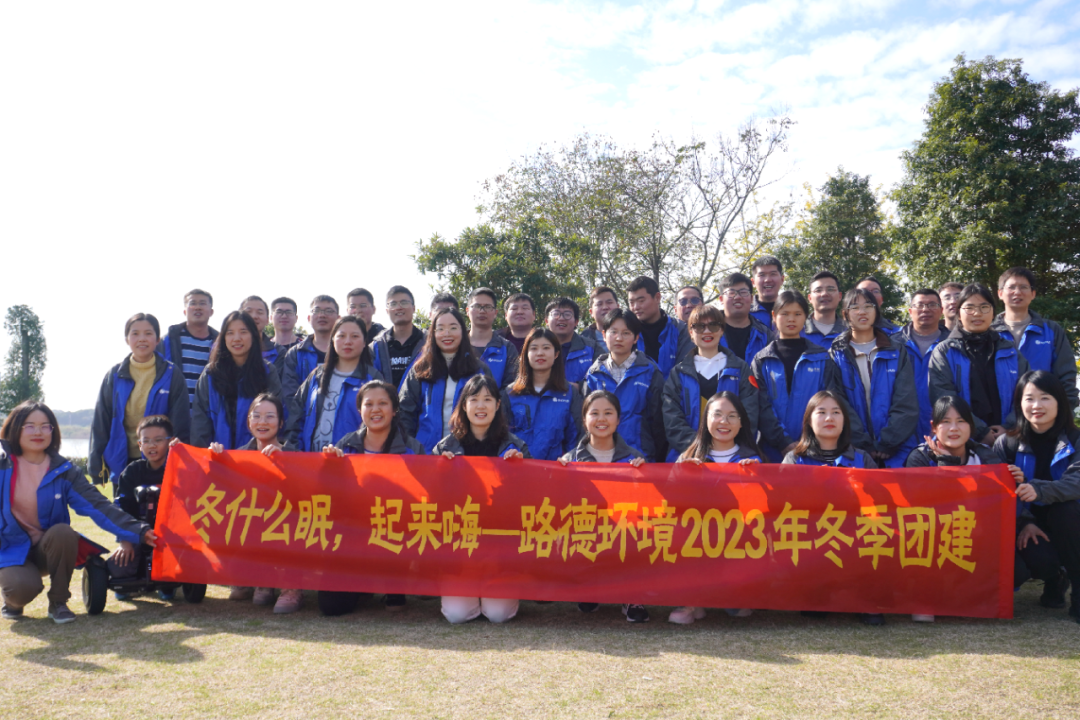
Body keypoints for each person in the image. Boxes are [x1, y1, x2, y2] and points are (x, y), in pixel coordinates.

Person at [0, 401, 155, 624]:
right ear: (15, 428)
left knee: (64, 532)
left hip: (49, 548)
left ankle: (59, 602)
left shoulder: (65, 471)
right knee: (21, 590)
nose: (38, 432)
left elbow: (99, 506)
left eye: (45, 426)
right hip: (10, 547)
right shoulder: (2, 465)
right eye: (30, 426)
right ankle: (13, 602)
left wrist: (138, 530)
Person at [904, 395, 1029, 622]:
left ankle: (970, 595)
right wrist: (946, 465)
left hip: (975, 536)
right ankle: (926, 596)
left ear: (971, 426)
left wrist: (1017, 482)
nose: (954, 428)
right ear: (934, 427)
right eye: (946, 422)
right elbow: (922, 508)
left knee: (1019, 571)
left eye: (961, 421)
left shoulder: (985, 456)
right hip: (932, 538)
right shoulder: (919, 458)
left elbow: (1002, 504)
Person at [320, 380, 426, 616]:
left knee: (395, 608)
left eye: (383, 403)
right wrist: (330, 466)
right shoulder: (345, 445)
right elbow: (328, 495)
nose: (375, 410)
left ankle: (394, 584)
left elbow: (423, 499)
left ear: (394, 409)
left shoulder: (412, 449)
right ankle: (361, 584)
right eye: (368, 404)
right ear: (360, 410)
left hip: (394, 531)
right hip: (352, 535)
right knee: (332, 607)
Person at [434, 374, 528, 624]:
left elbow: (526, 502)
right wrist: (440, 472)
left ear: (498, 405)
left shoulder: (515, 447)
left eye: (487, 399)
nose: (481, 406)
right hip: (459, 549)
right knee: (457, 614)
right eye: (474, 399)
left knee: (498, 614)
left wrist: (519, 471)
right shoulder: (445, 448)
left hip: (500, 551)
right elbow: (433, 502)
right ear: (464, 405)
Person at [782, 391, 882, 625]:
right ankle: (817, 592)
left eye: (836, 412)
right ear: (809, 420)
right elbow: (783, 506)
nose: (829, 418)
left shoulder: (862, 459)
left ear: (844, 420)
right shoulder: (794, 460)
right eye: (822, 412)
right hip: (811, 539)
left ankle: (864, 596)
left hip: (856, 539)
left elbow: (880, 505)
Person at [994, 371, 1080, 621]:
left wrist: (1040, 489)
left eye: (1045, 398)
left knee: (1065, 511)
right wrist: (1024, 521)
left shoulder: (1075, 439)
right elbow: (997, 494)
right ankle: (1056, 579)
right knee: (1037, 560)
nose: (1036, 406)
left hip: (1071, 524)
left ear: (1059, 402)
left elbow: (1076, 483)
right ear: (1019, 403)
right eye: (1029, 398)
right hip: (1028, 525)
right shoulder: (1006, 443)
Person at [670, 391, 761, 624]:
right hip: (696, 538)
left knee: (737, 610)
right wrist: (680, 474)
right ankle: (689, 601)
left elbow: (766, 508)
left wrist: (756, 478)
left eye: (732, 416)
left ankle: (730, 596)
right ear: (706, 419)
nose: (724, 422)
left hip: (737, 539)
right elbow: (669, 501)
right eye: (717, 414)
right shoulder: (688, 457)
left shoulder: (753, 460)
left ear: (741, 423)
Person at [208, 393, 302, 612]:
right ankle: (261, 580)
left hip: (286, 527)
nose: (262, 422)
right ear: (248, 421)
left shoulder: (295, 455)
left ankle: (291, 588)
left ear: (281, 423)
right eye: (256, 416)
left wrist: (285, 462)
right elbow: (219, 493)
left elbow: (305, 494)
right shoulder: (239, 456)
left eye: (270, 416)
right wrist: (215, 460)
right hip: (253, 527)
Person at [558, 390, 647, 621]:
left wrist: (644, 475)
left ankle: (632, 597)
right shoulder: (569, 460)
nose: (601, 419)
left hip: (623, 533)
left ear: (618, 420)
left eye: (608, 413)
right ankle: (590, 588)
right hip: (587, 532)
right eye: (594, 413)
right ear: (584, 419)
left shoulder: (634, 459)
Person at [751, 291, 865, 462]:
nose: (791, 319)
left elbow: (831, 400)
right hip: (771, 449)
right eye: (785, 314)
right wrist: (783, 442)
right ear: (774, 316)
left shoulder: (822, 357)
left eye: (798, 314)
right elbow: (761, 405)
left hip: (815, 450)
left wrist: (808, 441)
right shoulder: (761, 360)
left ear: (806, 317)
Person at [662, 304, 776, 462]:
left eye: (713, 325)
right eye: (699, 326)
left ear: (722, 330)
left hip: (734, 457)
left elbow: (749, 415)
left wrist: (725, 448)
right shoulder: (677, 374)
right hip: (688, 456)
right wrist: (698, 448)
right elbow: (672, 420)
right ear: (691, 333)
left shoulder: (741, 369)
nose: (707, 331)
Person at [90, 313, 190, 489]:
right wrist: (96, 464)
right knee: (123, 505)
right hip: (122, 460)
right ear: (127, 339)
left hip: (159, 462)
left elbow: (180, 422)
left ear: (157, 339)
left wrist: (178, 457)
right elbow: (101, 420)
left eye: (148, 333)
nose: (142, 339)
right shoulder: (114, 375)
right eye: (135, 333)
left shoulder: (172, 374)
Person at [929, 283, 1029, 447]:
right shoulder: (945, 351)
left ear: (993, 312)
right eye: (969, 308)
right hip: (962, 442)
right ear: (959, 313)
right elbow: (943, 397)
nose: (977, 313)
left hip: (1009, 439)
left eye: (984, 307)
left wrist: (1008, 427)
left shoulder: (1009, 350)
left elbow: (1026, 393)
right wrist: (980, 431)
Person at [829, 288, 917, 467]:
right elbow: (837, 401)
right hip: (853, 450)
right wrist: (861, 443)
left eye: (868, 306)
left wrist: (889, 441)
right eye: (855, 307)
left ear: (876, 311)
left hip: (897, 449)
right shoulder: (836, 354)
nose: (862, 312)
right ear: (845, 314)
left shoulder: (896, 350)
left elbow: (906, 401)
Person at [286, 316, 383, 452]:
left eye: (355, 336)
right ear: (332, 340)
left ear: (364, 342)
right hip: (312, 459)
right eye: (341, 336)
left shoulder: (372, 379)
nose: (347, 342)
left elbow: (381, 425)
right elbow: (297, 417)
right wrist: (295, 451)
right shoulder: (317, 376)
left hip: (353, 460)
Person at [400, 308, 488, 452]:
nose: (447, 333)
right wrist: (411, 449)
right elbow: (405, 413)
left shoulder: (478, 370)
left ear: (463, 331)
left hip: (467, 454)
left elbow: (491, 412)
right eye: (440, 329)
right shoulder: (420, 370)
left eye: (453, 328)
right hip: (425, 454)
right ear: (433, 334)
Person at [583, 308, 666, 462]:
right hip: (600, 458)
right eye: (613, 332)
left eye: (626, 333)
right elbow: (585, 420)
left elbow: (658, 423)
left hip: (639, 458)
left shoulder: (650, 371)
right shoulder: (593, 374)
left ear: (636, 338)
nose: (619, 338)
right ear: (604, 335)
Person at [191, 311, 282, 449]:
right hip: (217, 455)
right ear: (223, 338)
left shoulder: (267, 372)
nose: (237, 338)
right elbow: (200, 421)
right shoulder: (211, 373)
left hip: (257, 456)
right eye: (230, 333)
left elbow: (278, 416)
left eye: (243, 332)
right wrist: (203, 455)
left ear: (253, 335)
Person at [992, 267, 1078, 409]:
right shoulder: (989, 332)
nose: (1017, 292)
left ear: (1033, 294)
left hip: (1041, 411)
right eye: (1011, 287)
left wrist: (1065, 411)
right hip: (999, 415)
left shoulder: (1051, 330)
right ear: (1000, 293)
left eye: (1023, 287)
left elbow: (1066, 375)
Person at [503, 328, 583, 461]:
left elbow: (576, 438)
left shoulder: (568, 393)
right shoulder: (511, 393)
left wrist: (569, 459)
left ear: (556, 354)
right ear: (526, 354)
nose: (540, 353)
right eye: (534, 348)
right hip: (517, 467)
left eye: (546, 348)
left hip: (556, 469)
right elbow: (502, 436)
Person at [898, 289, 950, 439]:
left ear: (941, 310)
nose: (925, 309)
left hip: (944, 428)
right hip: (900, 432)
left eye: (932, 305)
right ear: (910, 311)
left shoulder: (953, 345)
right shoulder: (893, 345)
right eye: (920, 305)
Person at [157, 289, 218, 406]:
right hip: (175, 410)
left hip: (206, 412)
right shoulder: (168, 341)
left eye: (202, 303)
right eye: (193, 303)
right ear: (185, 311)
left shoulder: (220, 343)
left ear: (211, 311)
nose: (198, 307)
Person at [626, 276, 692, 378]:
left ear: (657, 298)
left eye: (641, 301)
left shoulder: (681, 330)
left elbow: (685, 371)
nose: (636, 307)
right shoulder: (627, 332)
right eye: (631, 302)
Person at [281, 296, 340, 400]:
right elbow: (290, 395)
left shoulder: (348, 350)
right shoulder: (295, 353)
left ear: (338, 319)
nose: (322, 315)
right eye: (316, 311)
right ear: (309, 318)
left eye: (328, 311)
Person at [371, 286, 426, 392]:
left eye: (404, 302)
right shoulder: (376, 346)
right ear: (387, 310)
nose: (399, 307)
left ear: (414, 308)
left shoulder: (427, 342)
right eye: (393, 304)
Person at [466, 287, 519, 389]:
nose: (482, 311)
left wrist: (490, 399)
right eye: (477, 306)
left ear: (495, 313)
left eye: (488, 307)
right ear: (467, 311)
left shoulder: (507, 348)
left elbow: (511, 386)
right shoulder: (457, 344)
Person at [717, 272, 774, 363]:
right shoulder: (708, 331)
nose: (737, 297)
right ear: (721, 299)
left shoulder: (765, 335)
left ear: (751, 299)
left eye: (743, 292)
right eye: (731, 293)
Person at [545, 298, 598, 385]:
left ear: (576, 322)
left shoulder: (592, 347)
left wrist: (578, 388)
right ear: (546, 321)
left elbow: (601, 379)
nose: (561, 318)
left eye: (567, 314)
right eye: (556, 314)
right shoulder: (536, 347)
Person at [240, 295, 284, 369]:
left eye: (260, 312)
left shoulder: (279, 351)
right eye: (248, 312)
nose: (254, 316)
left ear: (267, 320)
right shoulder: (229, 347)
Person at [803, 272, 846, 348]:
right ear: (810, 298)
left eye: (830, 289)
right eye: (818, 290)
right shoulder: (798, 330)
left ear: (840, 296)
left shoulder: (850, 332)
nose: (824, 294)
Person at [749, 256, 784, 330]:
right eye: (762, 275)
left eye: (773, 274)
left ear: (782, 279)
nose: (767, 280)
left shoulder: (793, 309)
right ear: (753, 282)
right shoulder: (745, 312)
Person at [269, 297, 302, 374]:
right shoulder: (264, 348)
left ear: (296, 318)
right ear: (271, 317)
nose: (284, 316)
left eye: (289, 312)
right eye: (279, 312)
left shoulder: (304, 347)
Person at [582, 286, 619, 351]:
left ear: (618, 307)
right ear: (591, 312)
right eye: (599, 304)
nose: (605, 307)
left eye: (609, 302)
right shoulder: (581, 341)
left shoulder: (634, 335)